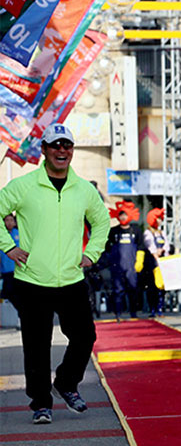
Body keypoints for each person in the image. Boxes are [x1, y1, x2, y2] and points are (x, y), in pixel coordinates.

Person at [0, 123, 110, 424]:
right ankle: (40, 404)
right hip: (32, 279)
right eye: (55, 145)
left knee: (85, 336)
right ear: (44, 150)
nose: (62, 150)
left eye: (67, 146)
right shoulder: (24, 186)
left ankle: (65, 383)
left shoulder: (84, 190)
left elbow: (102, 222)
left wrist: (91, 253)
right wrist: (8, 248)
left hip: (72, 279)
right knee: (36, 345)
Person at [104, 201, 145, 321]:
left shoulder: (136, 230)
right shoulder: (113, 231)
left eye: (125, 215)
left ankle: (133, 313)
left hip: (132, 265)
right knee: (118, 291)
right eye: (121, 215)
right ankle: (118, 314)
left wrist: (139, 261)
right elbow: (107, 247)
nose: (123, 217)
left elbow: (141, 246)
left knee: (133, 289)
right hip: (117, 266)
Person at [143, 208, 169, 318]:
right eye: (157, 219)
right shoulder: (148, 232)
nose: (159, 221)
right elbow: (149, 246)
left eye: (160, 219)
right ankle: (152, 309)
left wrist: (163, 251)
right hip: (152, 263)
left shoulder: (162, 232)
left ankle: (160, 308)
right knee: (152, 287)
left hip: (162, 262)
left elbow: (167, 244)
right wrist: (155, 253)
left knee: (162, 287)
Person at [1, 214, 20, 305]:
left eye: (11, 220)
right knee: (7, 293)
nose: (9, 222)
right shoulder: (2, 234)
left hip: (17, 269)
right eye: (7, 220)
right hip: (5, 269)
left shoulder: (18, 233)